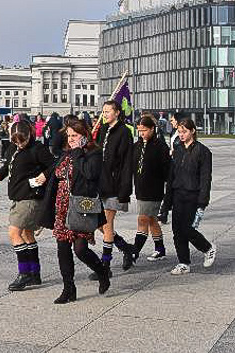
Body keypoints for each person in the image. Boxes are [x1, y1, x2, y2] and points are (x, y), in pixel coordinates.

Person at [37, 117, 110, 303]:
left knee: (80, 249)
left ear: (84, 135)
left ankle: (101, 271)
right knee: (62, 248)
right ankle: (68, 288)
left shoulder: (93, 153)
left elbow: (90, 173)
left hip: (81, 205)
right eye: (69, 135)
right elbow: (55, 168)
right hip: (62, 206)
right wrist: (44, 176)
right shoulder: (67, 153)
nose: (71, 139)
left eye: (75, 135)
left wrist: (79, 150)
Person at [0, 120, 55, 291]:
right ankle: (35, 273)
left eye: (23, 141)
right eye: (16, 141)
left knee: (14, 233)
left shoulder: (37, 149)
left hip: (30, 198)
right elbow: (8, 165)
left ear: (30, 135)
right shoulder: (13, 148)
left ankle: (24, 273)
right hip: (19, 196)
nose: (19, 144)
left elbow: (55, 164)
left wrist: (44, 175)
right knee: (27, 234)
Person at [160, 118, 216, 275]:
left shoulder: (203, 151)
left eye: (184, 131)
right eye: (179, 131)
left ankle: (207, 248)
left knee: (187, 228)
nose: (181, 134)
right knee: (177, 230)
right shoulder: (177, 149)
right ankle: (183, 262)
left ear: (192, 131)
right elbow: (172, 176)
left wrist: (203, 201)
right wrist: (166, 202)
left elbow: (206, 178)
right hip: (178, 192)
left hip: (193, 194)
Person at [93, 100, 134, 276]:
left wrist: (125, 189)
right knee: (98, 224)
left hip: (114, 185)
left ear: (117, 112)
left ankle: (105, 266)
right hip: (100, 184)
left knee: (107, 224)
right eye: (103, 111)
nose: (105, 114)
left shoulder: (124, 132)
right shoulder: (103, 129)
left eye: (108, 111)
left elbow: (127, 163)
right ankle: (126, 248)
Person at [130, 115, 171, 263]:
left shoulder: (160, 146)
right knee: (152, 220)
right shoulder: (137, 146)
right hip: (140, 190)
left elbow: (167, 170)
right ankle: (160, 249)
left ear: (152, 129)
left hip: (154, 190)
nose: (142, 133)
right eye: (139, 130)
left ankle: (134, 252)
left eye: (145, 130)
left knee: (143, 220)